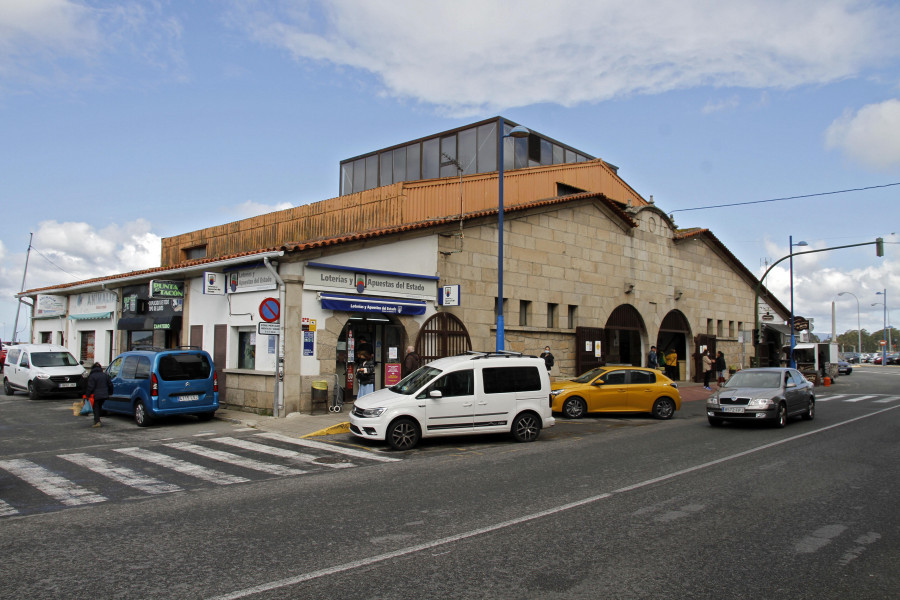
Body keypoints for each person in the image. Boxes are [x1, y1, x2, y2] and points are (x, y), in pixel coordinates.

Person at [85, 362, 113, 428]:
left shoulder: (92, 376)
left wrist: (87, 395)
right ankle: (97, 420)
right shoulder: (105, 375)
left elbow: (90, 387)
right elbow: (110, 384)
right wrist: (110, 392)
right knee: (99, 406)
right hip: (104, 394)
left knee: (96, 407)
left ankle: (97, 421)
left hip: (97, 395)